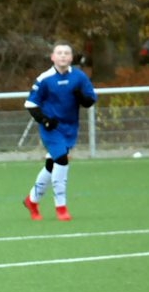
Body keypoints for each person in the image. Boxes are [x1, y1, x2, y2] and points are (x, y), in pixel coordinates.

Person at [22, 43, 97, 221]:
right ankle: (61, 207)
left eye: (66, 53)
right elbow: (30, 104)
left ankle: (32, 200)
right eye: (59, 53)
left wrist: (81, 97)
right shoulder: (45, 78)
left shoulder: (79, 76)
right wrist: (45, 120)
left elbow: (90, 101)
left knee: (52, 165)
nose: (63, 56)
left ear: (71, 57)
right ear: (52, 57)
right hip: (51, 128)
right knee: (62, 160)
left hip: (70, 128)